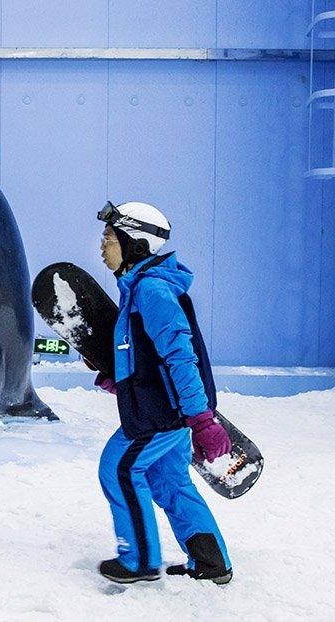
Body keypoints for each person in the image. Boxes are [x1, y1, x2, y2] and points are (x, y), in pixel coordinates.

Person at [93, 201, 233, 585]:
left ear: (134, 243)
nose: (102, 246)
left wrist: (201, 418)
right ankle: (210, 562)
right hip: (164, 410)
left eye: (109, 237)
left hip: (162, 414)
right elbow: (147, 357)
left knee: (119, 468)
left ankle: (138, 561)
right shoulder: (139, 288)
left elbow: (180, 357)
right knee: (169, 481)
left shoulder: (152, 290)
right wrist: (116, 380)